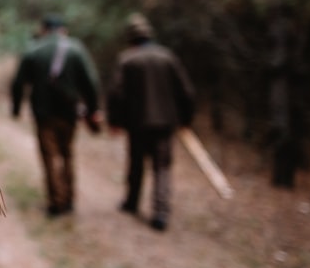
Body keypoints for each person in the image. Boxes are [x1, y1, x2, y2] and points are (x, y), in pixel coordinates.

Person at [107, 13, 196, 231]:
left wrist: (115, 121)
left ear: (130, 38)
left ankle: (131, 202)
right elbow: (186, 91)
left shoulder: (127, 59)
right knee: (162, 167)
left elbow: (116, 94)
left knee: (136, 164)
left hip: (137, 124)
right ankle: (161, 213)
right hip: (165, 124)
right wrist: (186, 119)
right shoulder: (167, 57)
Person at [11, 14, 103, 217]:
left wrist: (16, 109)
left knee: (49, 157)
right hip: (69, 113)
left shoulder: (34, 50)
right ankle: (69, 200)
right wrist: (94, 109)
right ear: (64, 30)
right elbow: (90, 82)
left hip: (43, 114)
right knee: (67, 154)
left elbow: (18, 83)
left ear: (44, 29)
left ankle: (56, 202)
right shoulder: (76, 49)